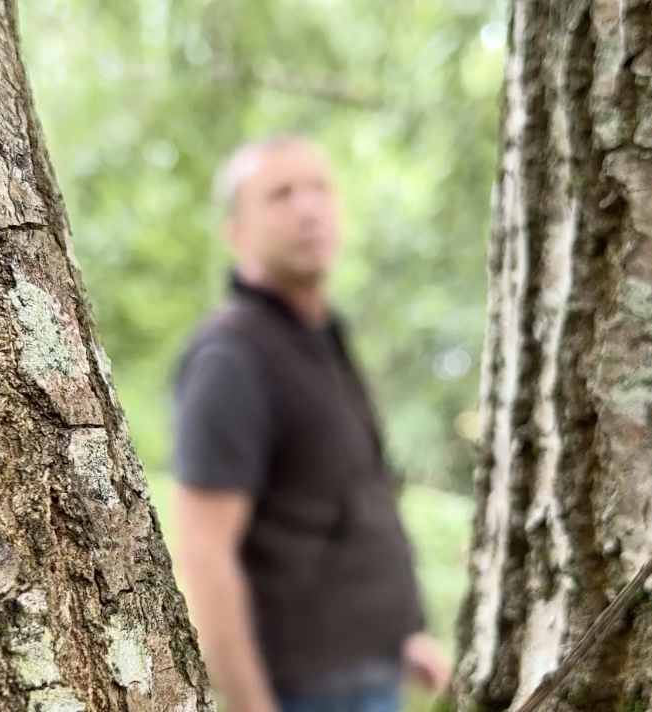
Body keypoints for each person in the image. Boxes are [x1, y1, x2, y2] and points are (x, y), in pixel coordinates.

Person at [169, 135, 451, 712]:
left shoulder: (322, 338)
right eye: (280, 194)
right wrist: (251, 706)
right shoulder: (232, 355)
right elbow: (203, 551)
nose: (307, 207)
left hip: (371, 674)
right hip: (301, 692)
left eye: (319, 188)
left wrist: (401, 635)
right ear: (236, 232)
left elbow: (347, 501)